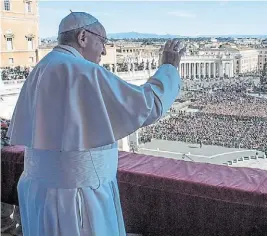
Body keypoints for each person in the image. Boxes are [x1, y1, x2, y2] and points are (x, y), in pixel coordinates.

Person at [6, 12, 185, 236]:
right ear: (83, 37)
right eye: (102, 42)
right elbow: (146, 106)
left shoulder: (40, 69)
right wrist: (168, 69)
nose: (103, 50)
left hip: (39, 192)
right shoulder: (85, 71)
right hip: (80, 199)